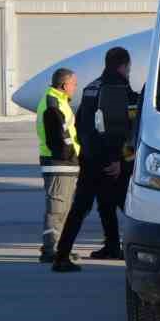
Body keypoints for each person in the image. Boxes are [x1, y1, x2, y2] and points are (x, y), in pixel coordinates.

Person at [53, 47, 139, 270]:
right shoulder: (117, 89)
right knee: (131, 206)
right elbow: (117, 129)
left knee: (91, 206)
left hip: (90, 159)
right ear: (123, 66)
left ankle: (95, 248)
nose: (129, 72)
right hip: (110, 161)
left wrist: (87, 155)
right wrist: (117, 160)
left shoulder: (91, 87)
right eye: (128, 68)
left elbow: (82, 124)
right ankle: (147, 248)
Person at [35, 68, 81, 268]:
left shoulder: (58, 101)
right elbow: (59, 138)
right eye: (73, 84)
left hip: (65, 164)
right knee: (57, 208)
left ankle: (60, 248)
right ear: (64, 85)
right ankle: (50, 250)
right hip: (59, 163)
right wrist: (69, 154)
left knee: (63, 209)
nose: (75, 88)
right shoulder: (53, 103)